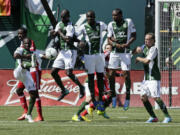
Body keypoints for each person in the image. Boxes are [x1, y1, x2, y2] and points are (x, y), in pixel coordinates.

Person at [134, 33, 171, 123]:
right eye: (145, 39)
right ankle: (153, 117)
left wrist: (138, 58)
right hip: (146, 78)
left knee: (156, 97)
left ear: (153, 41)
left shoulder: (154, 49)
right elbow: (135, 50)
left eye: (149, 39)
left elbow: (147, 61)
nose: (146, 41)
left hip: (154, 77)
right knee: (143, 97)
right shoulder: (144, 47)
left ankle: (167, 116)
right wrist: (135, 50)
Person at [76, 10, 107, 112]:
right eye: (88, 17)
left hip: (99, 55)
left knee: (100, 76)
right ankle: (93, 98)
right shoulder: (83, 27)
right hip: (89, 56)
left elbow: (110, 31)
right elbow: (74, 36)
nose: (90, 19)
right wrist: (80, 42)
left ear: (95, 17)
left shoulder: (101, 24)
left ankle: (100, 98)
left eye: (92, 17)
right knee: (90, 76)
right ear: (86, 17)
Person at [50, 9, 85, 101]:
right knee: (53, 72)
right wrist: (52, 33)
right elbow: (55, 34)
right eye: (61, 16)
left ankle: (81, 87)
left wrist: (59, 32)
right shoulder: (59, 24)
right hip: (62, 52)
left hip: (70, 52)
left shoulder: (70, 26)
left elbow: (68, 39)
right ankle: (63, 90)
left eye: (64, 17)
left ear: (68, 17)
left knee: (68, 73)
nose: (62, 18)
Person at [107, 8, 136, 111]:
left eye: (115, 15)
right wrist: (115, 44)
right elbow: (108, 39)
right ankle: (113, 96)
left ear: (121, 15)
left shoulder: (128, 22)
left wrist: (127, 44)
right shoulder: (111, 24)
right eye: (113, 15)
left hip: (125, 52)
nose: (114, 17)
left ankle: (127, 98)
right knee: (110, 74)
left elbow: (134, 35)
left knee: (126, 74)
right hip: (115, 52)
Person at [16, 27, 44, 122]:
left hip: (33, 69)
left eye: (22, 34)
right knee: (19, 90)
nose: (20, 35)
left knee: (34, 93)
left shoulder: (30, 42)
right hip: (25, 71)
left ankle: (40, 116)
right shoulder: (21, 43)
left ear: (25, 34)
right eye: (18, 34)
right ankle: (26, 112)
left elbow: (31, 54)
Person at [14, 38, 39, 123]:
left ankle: (28, 114)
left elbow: (39, 59)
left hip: (25, 74)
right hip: (18, 71)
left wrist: (49, 56)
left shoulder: (33, 53)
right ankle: (28, 64)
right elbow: (16, 56)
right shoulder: (20, 49)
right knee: (23, 65)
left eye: (29, 44)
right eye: (26, 43)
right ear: (23, 44)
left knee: (34, 93)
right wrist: (25, 56)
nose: (27, 45)